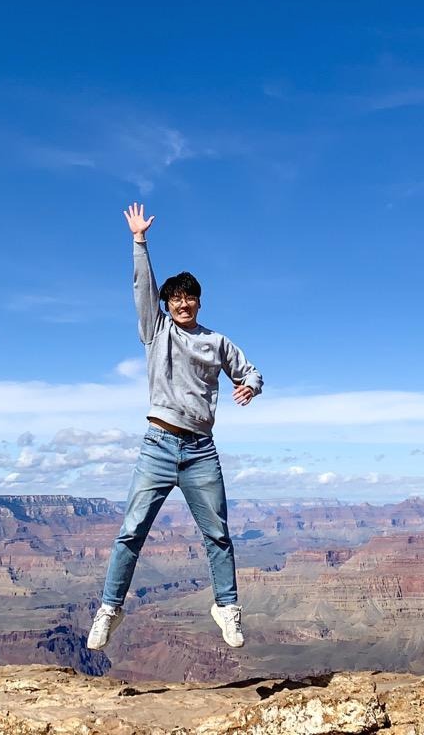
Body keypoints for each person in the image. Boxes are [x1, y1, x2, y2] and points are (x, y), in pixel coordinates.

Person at [87, 202, 263, 651]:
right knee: (132, 531)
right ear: (167, 304)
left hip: (201, 451)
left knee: (218, 535)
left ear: (199, 301)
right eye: (175, 299)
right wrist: (139, 242)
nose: (182, 304)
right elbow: (142, 288)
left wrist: (250, 387)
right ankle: (109, 609)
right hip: (159, 445)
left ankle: (226, 609)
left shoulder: (216, 341)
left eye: (190, 297)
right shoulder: (156, 330)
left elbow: (251, 372)